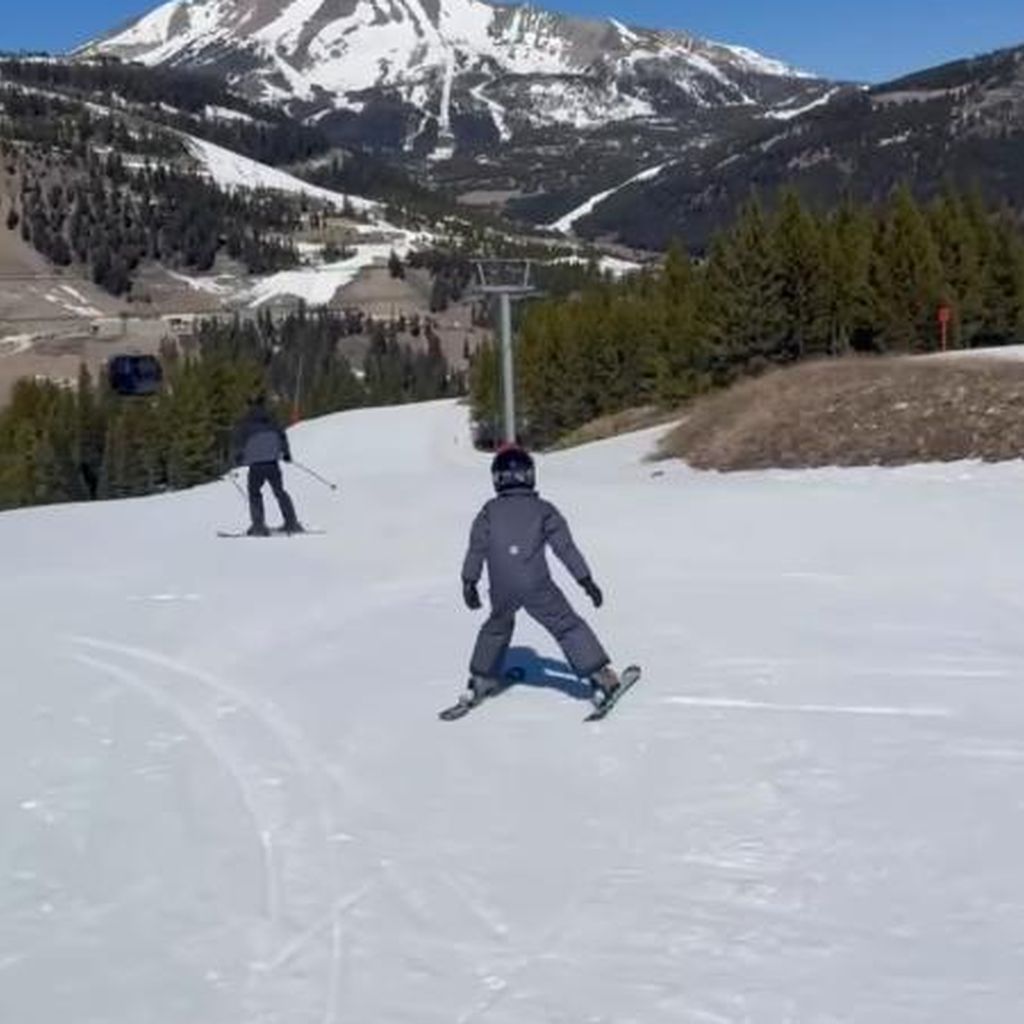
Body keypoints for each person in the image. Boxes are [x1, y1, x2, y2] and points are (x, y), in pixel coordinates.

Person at [461, 444, 621, 704]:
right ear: (529, 475)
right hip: (536, 585)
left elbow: (476, 548)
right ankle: (600, 676)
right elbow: (565, 549)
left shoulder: (488, 511)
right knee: (566, 624)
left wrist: (469, 582)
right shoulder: (544, 509)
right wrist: (585, 580)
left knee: (497, 626)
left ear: (497, 479)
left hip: (501, 587)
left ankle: (481, 678)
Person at [230, 394, 303, 536]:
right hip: (272, 463)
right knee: (280, 492)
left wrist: (238, 458)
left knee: (254, 493)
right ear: (263, 404)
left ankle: (258, 525)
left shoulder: (245, 423)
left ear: (250, 405)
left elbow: (238, 442)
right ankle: (291, 522)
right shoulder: (271, 420)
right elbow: (282, 436)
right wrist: (286, 453)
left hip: (256, 465)